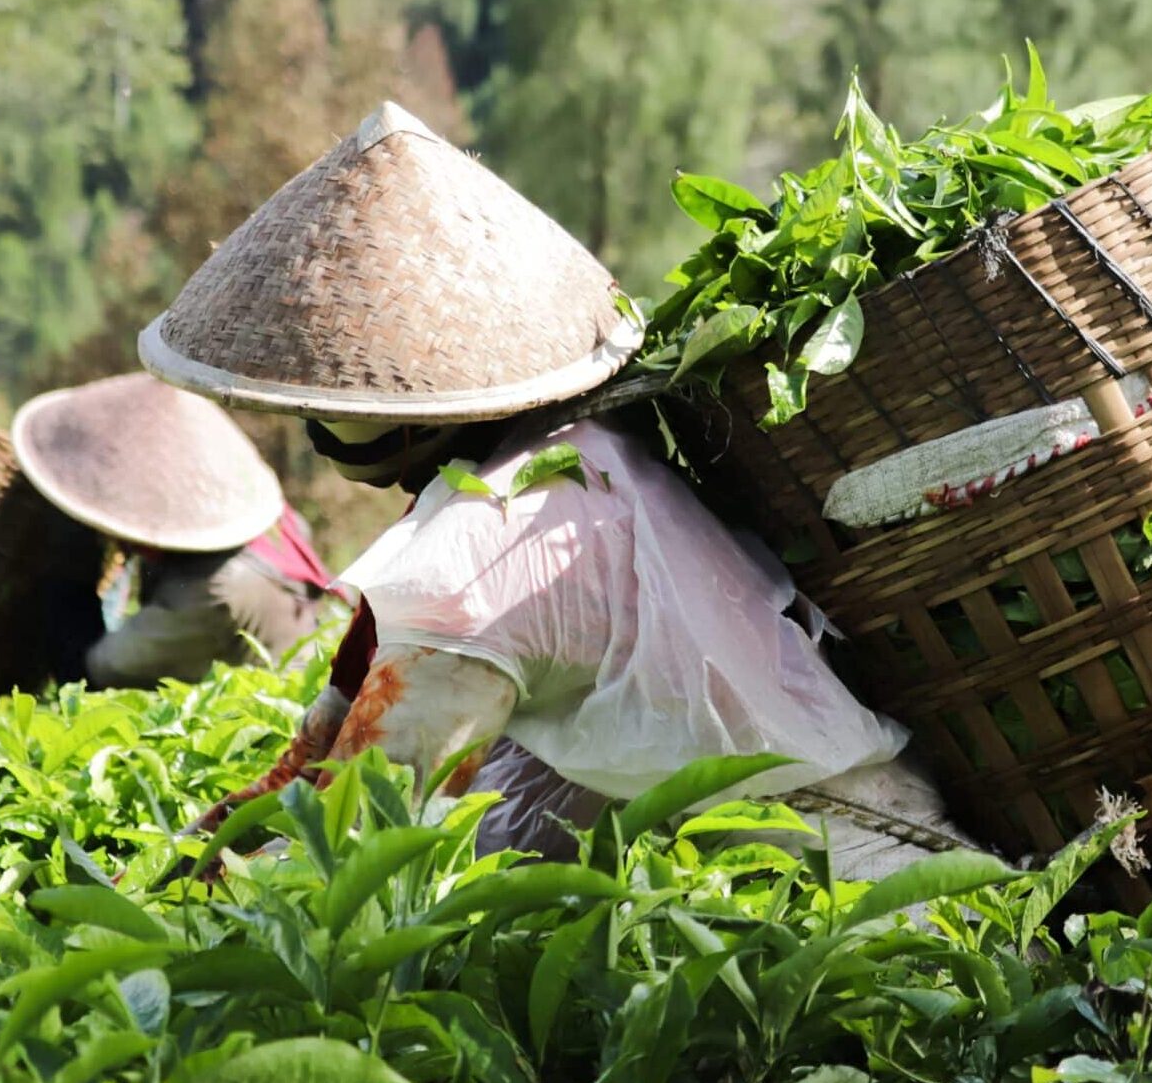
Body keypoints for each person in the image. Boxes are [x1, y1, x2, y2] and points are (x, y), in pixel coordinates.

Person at [140, 102, 969, 874]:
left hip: (836, 893)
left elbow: (359, 835)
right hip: (820, 849)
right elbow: (317, 750)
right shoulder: (578, 452)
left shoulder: (480, 548)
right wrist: (203, 849)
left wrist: (191, 918)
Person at [11, 372, 333, 688]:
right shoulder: (267, 529)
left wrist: (70, 569)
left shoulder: (210, 590)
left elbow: (95, 671)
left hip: (270, 716)